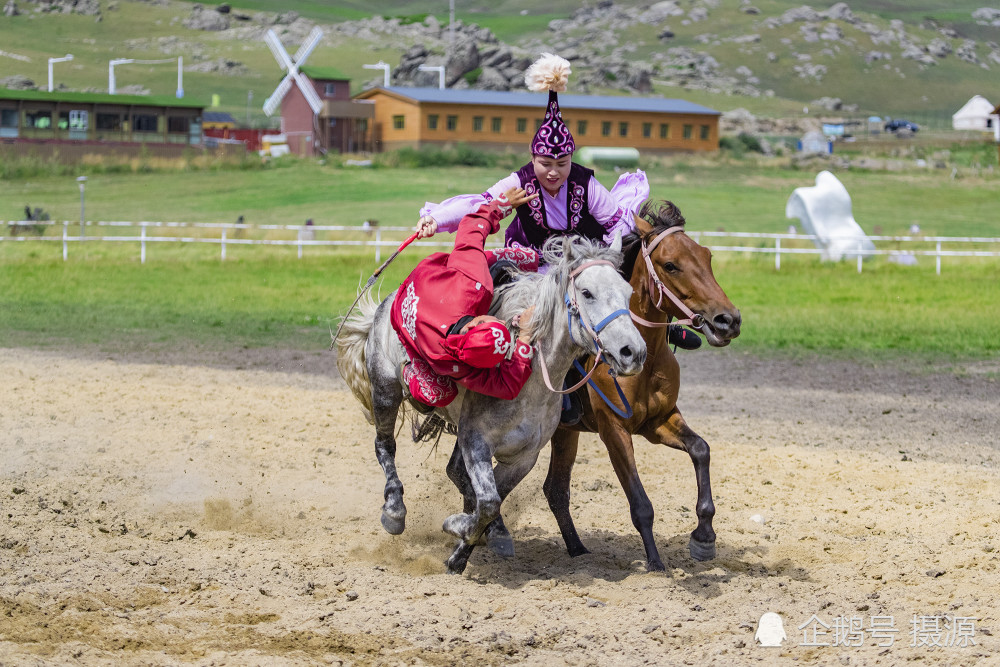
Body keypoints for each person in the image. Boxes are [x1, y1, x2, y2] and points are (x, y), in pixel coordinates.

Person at [412, 53, 699, 356]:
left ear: (571, 159)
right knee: (488, 281)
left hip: (582, 260)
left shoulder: (586, 184)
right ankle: (481, 342)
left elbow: (616, 222)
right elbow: (480, 204)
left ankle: (663, 329)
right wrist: (438, 219)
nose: (553, 172)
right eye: (544, 163)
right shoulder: (519, 182)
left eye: (561, 163)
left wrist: (607, 253)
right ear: (532, 158)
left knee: (626, 267)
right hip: (530, 265)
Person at [390, 187, 539, 412]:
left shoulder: (472, 284)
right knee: (439, 394)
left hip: (426, 285)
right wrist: (526, 336)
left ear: (475, 323)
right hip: (404, 320)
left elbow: (472, 229)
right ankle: (406, 370)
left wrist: (502, 204)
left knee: (528, 258)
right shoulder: (452, 365)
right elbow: (508, 387)